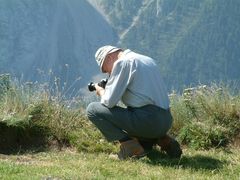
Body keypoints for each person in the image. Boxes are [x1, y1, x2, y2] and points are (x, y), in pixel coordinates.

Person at [86, 45, 182, 160]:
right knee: (133, 113)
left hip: (148, 120)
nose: (107, 73)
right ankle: (165, 141)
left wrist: (100, 90)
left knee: (92, 109)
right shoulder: (147, 60)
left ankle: (131, 148)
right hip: (166, 120)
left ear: (110, 57)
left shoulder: (122, 63)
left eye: (105, 68)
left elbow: (108, 102)